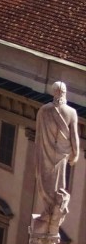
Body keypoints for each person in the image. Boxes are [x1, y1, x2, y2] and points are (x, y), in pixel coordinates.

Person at [35, 81, 79, 218]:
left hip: (46, 152)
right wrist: (76, 154)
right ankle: (55, 210)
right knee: (59, 183)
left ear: (53, 92)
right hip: (62, 153)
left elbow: (38, 135)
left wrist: (39, 150)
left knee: (46, 181)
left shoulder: (44, 110)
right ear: (65, 93)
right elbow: (74, 137)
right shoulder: (71, 112)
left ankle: (49, 210)